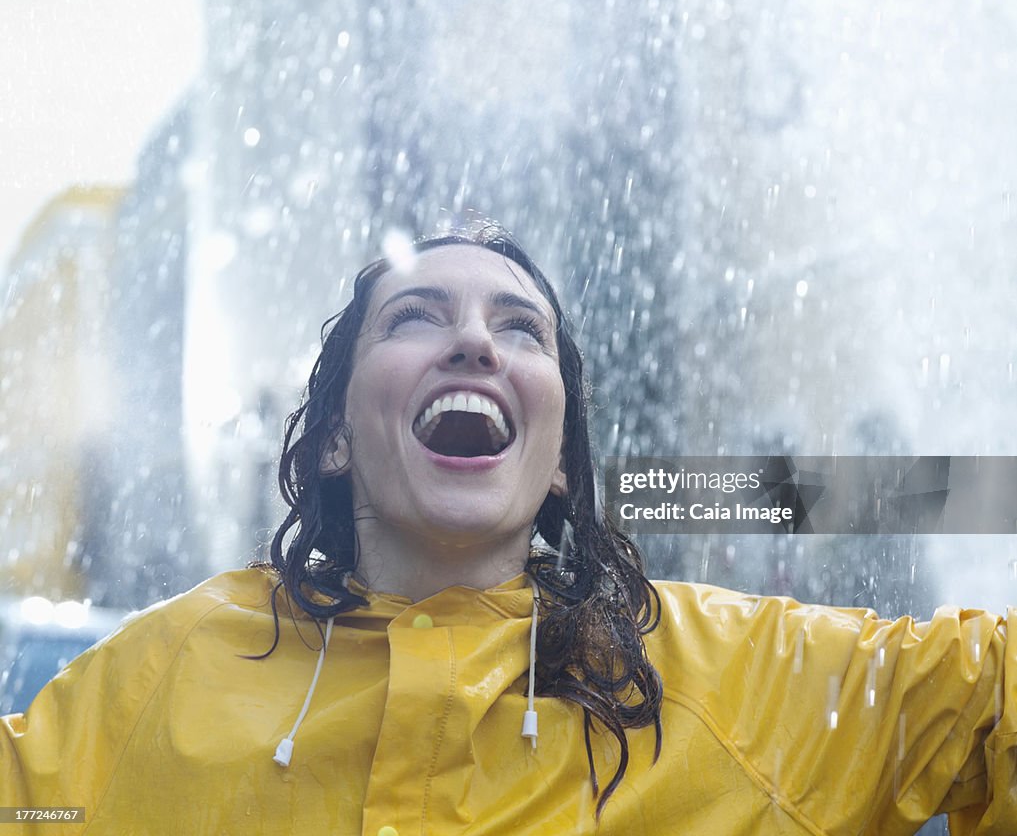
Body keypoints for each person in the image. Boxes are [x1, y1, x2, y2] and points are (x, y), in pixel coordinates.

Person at [2, 225, 1015, 835]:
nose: (475, 340)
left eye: (520, 328)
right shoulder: (165, 674)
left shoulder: (731, 680)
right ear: (335, 442)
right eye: (415, 318)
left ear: (565, 466)